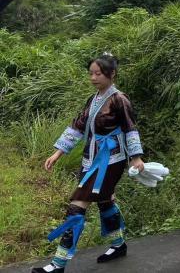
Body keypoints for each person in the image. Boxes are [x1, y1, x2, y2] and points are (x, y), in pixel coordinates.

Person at [34, 54, 145, 273]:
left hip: (111, 161)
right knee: (104, 200)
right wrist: (58, 153)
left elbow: (130, 128)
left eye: (98, 73)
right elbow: (77, 126)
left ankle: (59, 263)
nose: (93, 77)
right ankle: (118, 245)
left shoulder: (119, 99)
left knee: (77, 205)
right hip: (92, 159)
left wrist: (136, 157)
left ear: (111, 74)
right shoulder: (93, 99)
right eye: (91, 73)